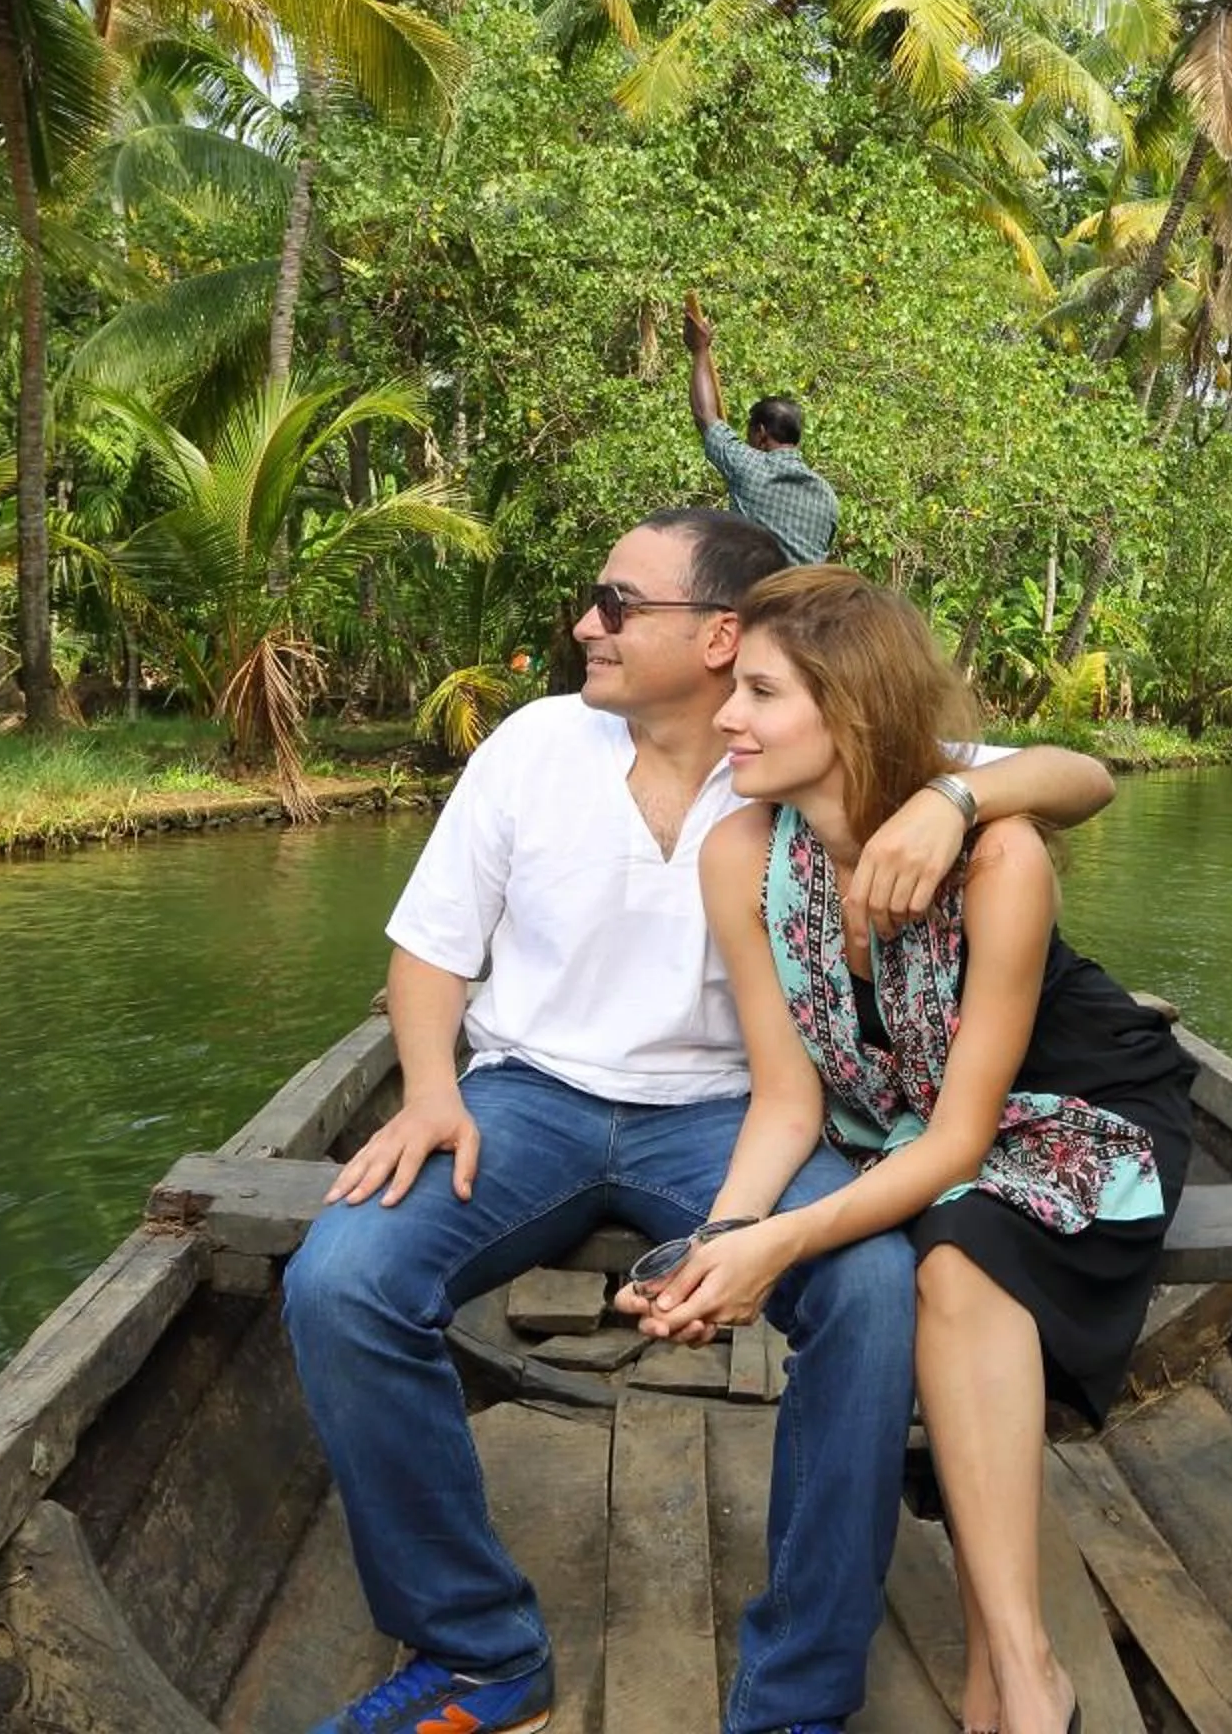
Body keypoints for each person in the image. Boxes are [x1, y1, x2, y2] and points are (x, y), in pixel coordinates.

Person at [279, 509, 1115, 1734]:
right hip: (528, 1101)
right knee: (339, 1278)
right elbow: (428, 949)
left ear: (718, 635)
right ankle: (476, 1651)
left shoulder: (799, 730)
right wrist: (429, 1089)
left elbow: (1080, 775)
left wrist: (951, 795)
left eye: (617, 603)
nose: (586, 625)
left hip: (729, 1117)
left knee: (875, 1293)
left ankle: (794, 1700)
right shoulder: (534, 745)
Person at [622, 566, 1195, 1734]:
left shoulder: (998, 857)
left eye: (762, 692)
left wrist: (782, 1242)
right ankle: (1014, 1670)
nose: (726, 714)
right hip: (905, 1120)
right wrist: (719, 1241)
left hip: (1073, 1103)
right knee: (940, 1243)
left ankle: (1020, 1671)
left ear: (852, 711)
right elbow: (790, 1099)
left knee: (955, 1250)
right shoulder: (744, 856)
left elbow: (964, 1138)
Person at [684, 291, 837, 564]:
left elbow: (704, 415)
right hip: (808, 603)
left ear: (761, 434)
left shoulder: (750, 468)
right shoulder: (826, 493)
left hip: (760, 602)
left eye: (749, 435)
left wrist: (699, 351)